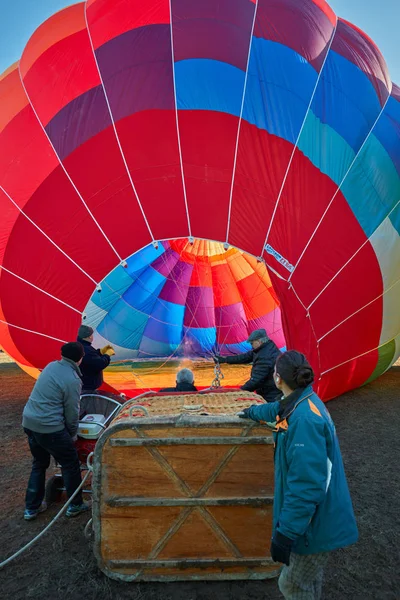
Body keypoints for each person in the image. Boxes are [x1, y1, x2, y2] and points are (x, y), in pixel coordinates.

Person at [238, 350, 358, 600]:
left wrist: (285, 534)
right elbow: (277, 409)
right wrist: (251, 412)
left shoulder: (304, 422)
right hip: (316, 520)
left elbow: (306, 486)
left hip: (312, 527)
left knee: (291, 585)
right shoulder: (305, 401)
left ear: (278, 379)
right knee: (308, 582)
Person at [22, 342, 90, 520]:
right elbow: (72, 412)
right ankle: (75, 505)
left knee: (39, 463)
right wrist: (73, 434)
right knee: (70, 464)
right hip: (50, 428)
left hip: (29, 422)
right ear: (80, 358)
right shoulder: (73, 379)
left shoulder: (51, 366)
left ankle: (31, 508)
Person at [214, 329, 280, 401]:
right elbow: (244, 357)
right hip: (269, 389)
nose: (251, 346)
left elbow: (256, 381)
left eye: (252, 343)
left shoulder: (265, 356)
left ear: (259, 342)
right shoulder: (265, 348)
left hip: (270, 393)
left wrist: (240, 392)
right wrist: (224, 359)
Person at [77, 324, 115, 393]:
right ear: (89, 337)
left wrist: (100, 352)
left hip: (82, 383)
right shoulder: (86, 350)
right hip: (88, 387)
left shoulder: (80, 345)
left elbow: (90, 359)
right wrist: (107, 354)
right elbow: (100, 364)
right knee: (89, 402)